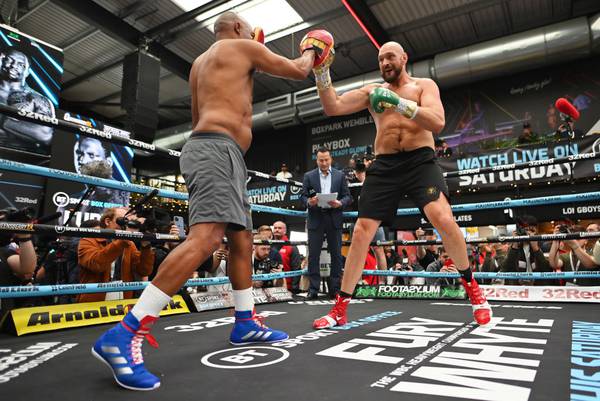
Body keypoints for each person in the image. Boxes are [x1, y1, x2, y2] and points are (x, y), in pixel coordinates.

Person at [92, 12, 326, 391]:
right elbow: (299, 70)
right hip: (216, 151)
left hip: (217, 150)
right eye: (250, 31)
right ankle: (124, 334)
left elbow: (198, 116)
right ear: (238, 29)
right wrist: (314, 48)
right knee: (205, 239)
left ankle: (245, 322)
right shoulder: (243, 46)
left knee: (242, 240)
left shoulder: (201, 63)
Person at [310, 41, 492, 329]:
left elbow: (437, 122)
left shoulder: (423, 86)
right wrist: (321, 72)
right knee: (361, 231)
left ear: (404, 58)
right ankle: (340, 308)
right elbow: (333, 106)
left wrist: (398, 103)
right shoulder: (372, 92)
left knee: (443, 218)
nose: (385, 63)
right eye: (381, 59)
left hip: (420, 161)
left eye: (390, 57)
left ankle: (474, 290)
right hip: (385, 164)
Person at [300, 147, 353, 299]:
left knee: (336, 255)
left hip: (333, 217)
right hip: (316, 217)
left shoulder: (339, 175)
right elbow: (302, 196)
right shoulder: (309, 176)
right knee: (313, 255)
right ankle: (313, 289)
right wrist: (309, 201)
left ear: (331, 159)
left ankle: (335, 289)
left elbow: (348, 197)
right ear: (317, 160)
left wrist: (340, 203)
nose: (323, 163)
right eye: (321, 160)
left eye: (326, 160)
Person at [77, 208, 154, 303]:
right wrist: (124, 239)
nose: (127, 225)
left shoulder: (129, 244)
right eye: (123, 221)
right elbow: (96, 265)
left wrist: (146, 246)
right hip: (94, 300)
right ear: (107, 221)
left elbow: (144, 271)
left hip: (123, 299)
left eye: (130, 222)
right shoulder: (88, 241)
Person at [0, 48, 55, 152]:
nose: (13, 66)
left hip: (22, 156)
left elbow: (45, 135)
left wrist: (5, 120)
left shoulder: (37, 99)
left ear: (27, 72)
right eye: (9, 60)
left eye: (21, 64)